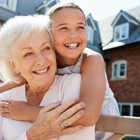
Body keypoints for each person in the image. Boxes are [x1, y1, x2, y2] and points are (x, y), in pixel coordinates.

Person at [0, 2, 120, 140]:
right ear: (49, 34)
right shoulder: (50, 59)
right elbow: (21, 78)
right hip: (75, 119)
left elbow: (89, 116)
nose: (73, 35)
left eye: (80, 27)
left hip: (104, 122)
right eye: (63, 28)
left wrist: (27, 111)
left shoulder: (91, 60)